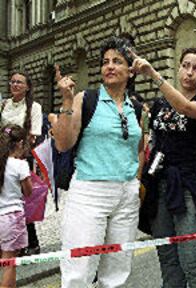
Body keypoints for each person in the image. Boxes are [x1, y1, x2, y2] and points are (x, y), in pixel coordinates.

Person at [52, 36, 143, 287]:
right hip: (90, 193)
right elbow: (63, 143)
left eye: (117, 61)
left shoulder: (135, 107)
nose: (109, 66)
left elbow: (138, 149)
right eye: (105, 62)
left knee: (117, 271)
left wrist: (136, 184)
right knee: (78, 272)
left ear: (131, 70)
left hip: (126, 195)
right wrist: (67, 100)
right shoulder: (86, 98)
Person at [134, 47, 196, 288]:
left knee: (191, 260)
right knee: (168, 259)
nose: (189, 72)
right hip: (159, 187)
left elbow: (186, 109)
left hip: (188, 189)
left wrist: (154, 75)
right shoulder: (159, 105)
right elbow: (152, 143)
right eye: (186, 65)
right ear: (179, 67)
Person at [0, 71, 42, 256]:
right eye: (13, 82)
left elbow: (34, 136)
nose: (15, 85)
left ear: (27, 86)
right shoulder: (3, 105)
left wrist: (17, 154)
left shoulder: (34, 107)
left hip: (21, 156)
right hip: (2, 157)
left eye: (19, 82)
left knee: (23, 199)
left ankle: (31, 242)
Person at [0, 125, 32, 288]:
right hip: (11, 216)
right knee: (9, 262)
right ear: (20, 143)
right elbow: (28, 192)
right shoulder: (20, 165)